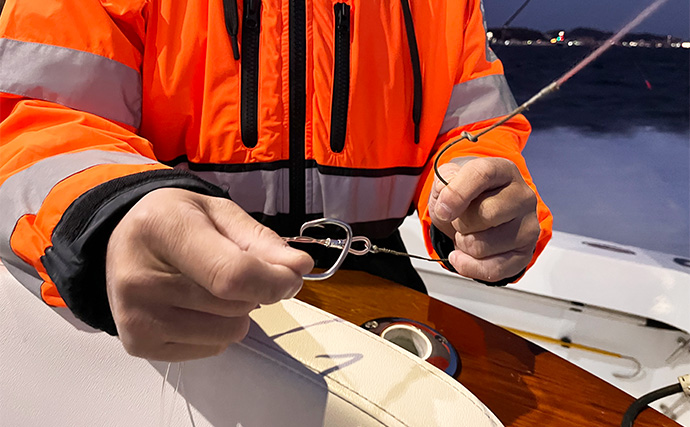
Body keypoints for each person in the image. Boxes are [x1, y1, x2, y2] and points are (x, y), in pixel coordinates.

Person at [0, 0, 552, 362]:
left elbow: (475, 128)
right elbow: (33, 118)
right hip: (168, 289)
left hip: (379, 285)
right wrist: (112, 215)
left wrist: (481, 192)